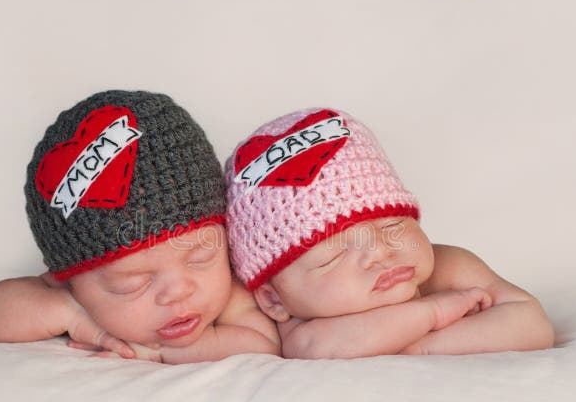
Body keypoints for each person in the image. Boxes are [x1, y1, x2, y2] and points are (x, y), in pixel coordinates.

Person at [0, 90, 280, 363]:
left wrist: (160, 353)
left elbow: (262, 344)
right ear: (70, 280)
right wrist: (70, 313)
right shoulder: (74, 297)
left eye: (201, 258)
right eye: (132, 283)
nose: (178, 291)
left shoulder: (228, 297)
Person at [225, 108, 554, 358]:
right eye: (333, 255)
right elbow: (321, 350)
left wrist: (419, 346)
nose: (380, 252)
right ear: (274, 300)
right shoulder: (302, 326)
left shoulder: (450, 267)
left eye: (393, 227)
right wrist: (432, 313)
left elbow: (532, 324)